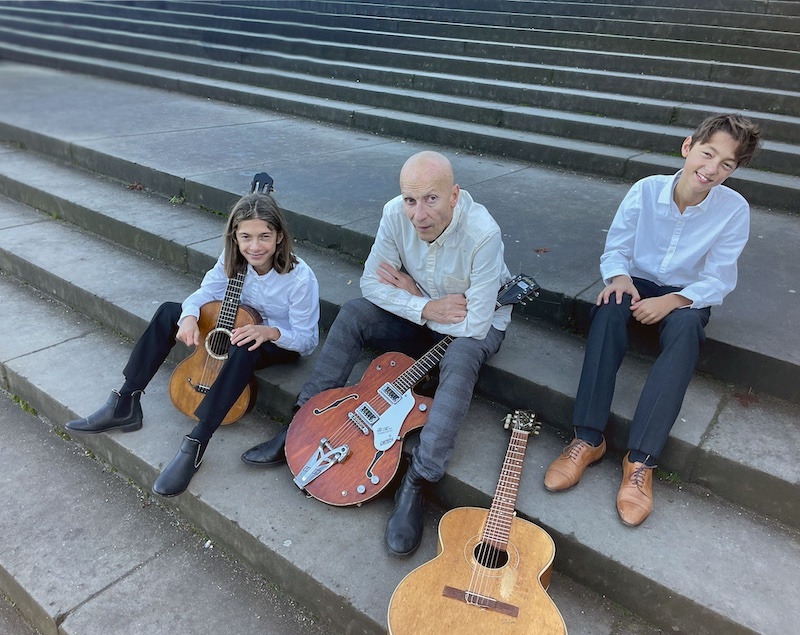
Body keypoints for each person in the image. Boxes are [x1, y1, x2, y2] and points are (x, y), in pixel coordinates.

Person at [241, 151, 513, 556]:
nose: (419, 214)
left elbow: (475, 324)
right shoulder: (393, 214)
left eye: (431, 199)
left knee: (459, 358)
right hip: (426, 312)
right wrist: (424, 305)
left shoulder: (484, 234)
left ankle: (419, 478)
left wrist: (414, 298)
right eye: (410, 200)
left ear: (454, 196)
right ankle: (299, 425)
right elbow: (371, 284)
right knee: (354, 313)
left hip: (477, 324)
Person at [543, 113, 762, 526]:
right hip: (637, 282)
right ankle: (587, 438)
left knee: (687, 329)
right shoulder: (645, 190)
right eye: (707, 154)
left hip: (686, 294)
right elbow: (617, 248)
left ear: (734, 170)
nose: (712, 169)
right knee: (609, 307)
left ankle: (641, 461)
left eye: (726, 164)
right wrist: (620, 278)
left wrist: (673, 301)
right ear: (688, 147)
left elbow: (718, 278)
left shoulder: (733, 210)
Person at [65, 193, 320, 497]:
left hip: (277, 342)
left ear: (279, 236)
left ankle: (197, 441)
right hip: (238, 324)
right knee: (169, 311)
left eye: (264, 236)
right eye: (246, 237)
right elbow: (204, 293)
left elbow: (307, 340)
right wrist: (188, 317)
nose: (255, 246)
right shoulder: (233, 259)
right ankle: (125, 402)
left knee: (242, 346)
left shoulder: (299, 278)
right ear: (235, 237)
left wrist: (270, 332)